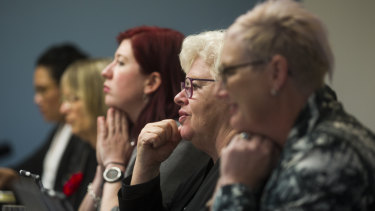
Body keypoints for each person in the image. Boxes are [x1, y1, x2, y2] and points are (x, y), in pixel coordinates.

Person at [213, 0, 375, 210]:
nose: (219, 91)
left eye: (229, 73)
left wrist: (233, 185)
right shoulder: (293, 146)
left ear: (276, 73)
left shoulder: (322, 166)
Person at [79, 26, 208, 211]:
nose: (106, 71)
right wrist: (102, 169)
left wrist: (113, 165)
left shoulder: (175, 140)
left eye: (120, 63)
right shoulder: (125, 137)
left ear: (152, 82)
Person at [118, 30, 237, 211]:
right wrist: (146, 169)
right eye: (185, 86)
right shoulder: (203, 173)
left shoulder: (245, 173)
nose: (178, 97)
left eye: (194, 86)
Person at [0, 44, 88, 194]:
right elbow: (32, 165)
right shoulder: (61, 129)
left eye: (43, 90)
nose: (37, 100)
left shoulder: (86, 136)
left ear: (68, 87)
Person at [59, 58, 111, 208]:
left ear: (99, 98)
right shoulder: (82, 149)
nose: (63, 109)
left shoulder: (121, 156)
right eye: (64, 99)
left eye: (73, 98)